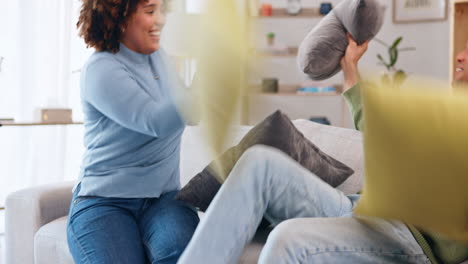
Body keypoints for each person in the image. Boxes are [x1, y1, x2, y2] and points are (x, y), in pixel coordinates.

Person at [177, 34, 468, 264]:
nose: (460, 55)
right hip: (360, 209)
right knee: (259, 163)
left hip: (409, 240)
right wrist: (350, 67)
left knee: (287, 238)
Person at [66, 0, 199, 263]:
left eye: (162, 11)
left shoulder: (159, 58)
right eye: (150, 11)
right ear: (119, 16)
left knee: (183, 256)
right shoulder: (101, 68)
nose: (160, 20)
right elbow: (156, 121)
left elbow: (191, 113)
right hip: (105, 201)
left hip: (164, 199)